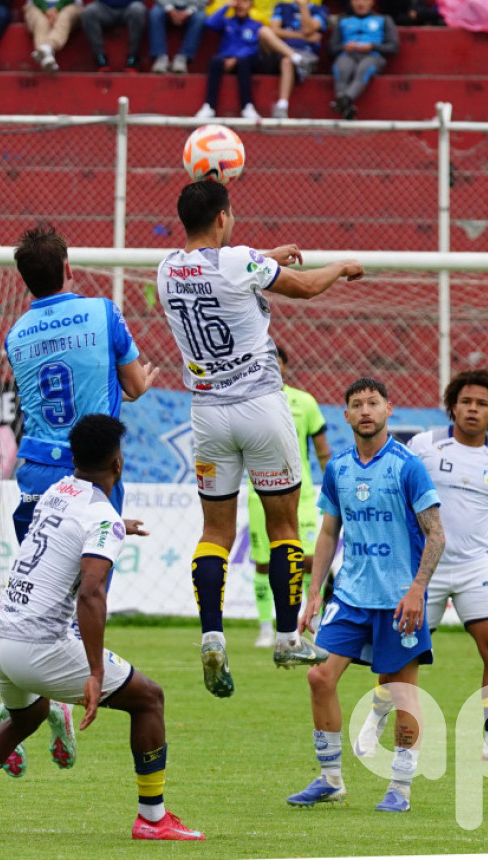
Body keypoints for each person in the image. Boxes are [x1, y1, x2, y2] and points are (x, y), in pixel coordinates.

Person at [0, 414, 204, 841]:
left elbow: (68, 532)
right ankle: (152, 819)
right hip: (39, 646)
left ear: (73, 459)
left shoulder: (58, 489)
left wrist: (116, 526)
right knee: (149, 699)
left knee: (28, 716)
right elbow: (90, 593)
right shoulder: (101, 517)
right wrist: (94, 671)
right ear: (118, 464)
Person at [156, 179, 364, 698]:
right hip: (262, 407)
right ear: (223, 217)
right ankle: (289, 636)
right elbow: (307, 286)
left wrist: (263, 257)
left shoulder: (165, 271)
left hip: (207, 414)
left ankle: (212, 635)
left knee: (216, 534)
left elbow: (216, 271)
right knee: (284, 525)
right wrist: (340, 267)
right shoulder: (240, 261)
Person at [286, 377, 444, 813]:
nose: (366, 410)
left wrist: (417, 590)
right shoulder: (337, 467)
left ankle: (400, 786)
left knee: (401, 692)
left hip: (399, 600)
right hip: (351, 595)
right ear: (347, 416)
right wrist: (313, 592)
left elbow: (436, 534)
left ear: (388, 409)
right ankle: (330, 778)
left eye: (373, 402)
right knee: (318, 676)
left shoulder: (407, 466)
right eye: (357, 404)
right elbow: (329, 530)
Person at [354, 369, 488, 764]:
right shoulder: (424, 446)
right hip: (422, 570)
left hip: (474, 567)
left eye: (481, 404)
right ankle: (374, 723)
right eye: (465, 401)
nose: (472, 409)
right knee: (402, 656)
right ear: (453, 404)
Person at [6, 225, 158, 544]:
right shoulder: (102, 311)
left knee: (41, 578)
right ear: (68, 268)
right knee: (90, 585)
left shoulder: (15, 335)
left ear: (26, 280)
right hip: (92, 467)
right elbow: (134, 386)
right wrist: (136, 387)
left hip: (37, 468)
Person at [248, 344, 331, 648]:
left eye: (277, 361)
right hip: (259, 494)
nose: (272, 366)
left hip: (302, 494)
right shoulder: (246, 400)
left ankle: (310, 620)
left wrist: (333, 484)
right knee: (264, 563)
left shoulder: (304, 402)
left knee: (307, 560)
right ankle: (265, 628)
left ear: (284, 366)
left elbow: (322, 449)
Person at [194, 0, 316, 120]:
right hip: (225, 58)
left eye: (245, 1)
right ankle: (209, 106)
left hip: (246, 60)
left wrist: (236, 58)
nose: (241, 5)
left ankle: (247, 106)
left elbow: (253, 48)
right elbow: (210, 23)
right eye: (239, 2)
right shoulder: (227, 22)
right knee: (215, 61)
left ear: (251, 5)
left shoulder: (256, 25)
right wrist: (227, 6)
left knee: (244, 61)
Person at [329, 0, 399, 121]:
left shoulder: (383, 19)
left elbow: (393, 47)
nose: (360, 4)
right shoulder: (343, 20)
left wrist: (372, 46)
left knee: (364, 69)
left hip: (372, 56)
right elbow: (331, 49)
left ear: (372, 2)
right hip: (348, 54)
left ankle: (344, 99)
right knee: (341, 68)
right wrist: (344, 47)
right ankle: (346, 106)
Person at [262, 0, 328, 119]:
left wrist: (303, 6)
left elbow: (308, 28)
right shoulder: (282, 6)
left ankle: (282, 106)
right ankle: (296, 59)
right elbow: (275, 30)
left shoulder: (320, 10)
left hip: (306, 53)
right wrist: (304, 36)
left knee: (287, 61)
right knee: (263, 31)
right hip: (280, 50)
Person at [80, 0, 147, 72]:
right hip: (105, 7)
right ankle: (100, 58)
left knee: (138, 10)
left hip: (130, 7)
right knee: (88, 13)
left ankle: (133, 58)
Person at [148, 0, 207, 74]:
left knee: (200, 18)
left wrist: (188, 12)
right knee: (155, 14)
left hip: (193, 8)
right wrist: (170, 9)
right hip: (165, 6)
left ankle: (183, 58)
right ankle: (160, 57)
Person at [23, 0, 83, 72]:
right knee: (41, 22)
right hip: (36, 5)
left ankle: (47, 48)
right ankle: (47, 58)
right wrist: (46, 10)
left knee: (63, 18)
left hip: (70, 4)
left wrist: (57, 9)